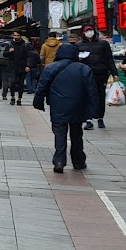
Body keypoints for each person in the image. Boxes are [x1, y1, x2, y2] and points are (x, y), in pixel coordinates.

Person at [34, 43, 99, 173]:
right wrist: (94, 109)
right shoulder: (84, 69)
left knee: (59, 134)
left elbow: (41, 87)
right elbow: (91, 91)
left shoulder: (50, 68)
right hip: (78, 105)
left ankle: (59, 161)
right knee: (76, 133)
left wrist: (38, 102)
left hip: (58, 105)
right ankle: (78, 161)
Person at [75, 25, 115, 129]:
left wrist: (114, 73)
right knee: (87, 96)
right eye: (87, 31)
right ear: (83, 33)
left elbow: (109, 59)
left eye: (91, 30)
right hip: (85, 73)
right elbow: (74, 60)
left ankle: (100, 118)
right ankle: (89, 119)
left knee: (100, 96)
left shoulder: (103, 44)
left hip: (100, 73)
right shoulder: (78, 45)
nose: (89, 32)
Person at [5, 36, 32, 105]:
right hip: (12, 66)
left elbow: (28, 56)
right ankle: (13, 97)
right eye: (14, 35)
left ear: (20, 36)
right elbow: (4, 54)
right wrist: (9, 51)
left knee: (21, 83)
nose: (15, 37)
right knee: (12, 82)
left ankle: (19, 98)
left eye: (17, 35)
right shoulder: (10, 44)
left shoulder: (25, 45)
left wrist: (28, 65)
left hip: (22, 67)